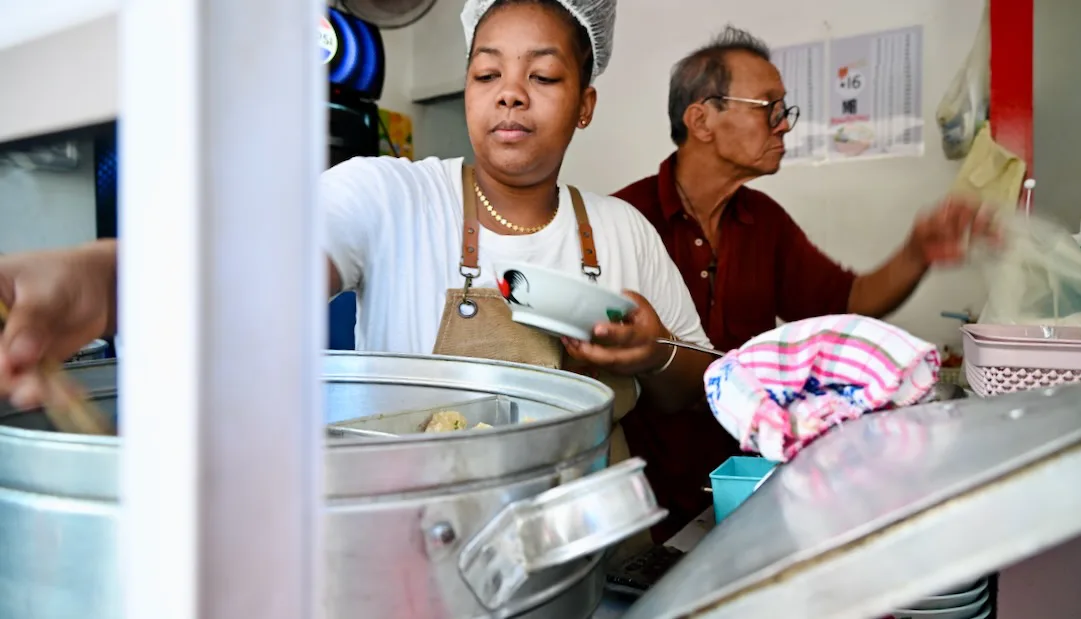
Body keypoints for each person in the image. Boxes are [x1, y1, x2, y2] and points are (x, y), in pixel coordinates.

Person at [0, 0, 714, 471]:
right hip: (416, 545)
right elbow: (255, 268)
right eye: (487, 71)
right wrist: (106, 279)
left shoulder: (626, 231)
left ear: (585, 104)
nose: (509, 93)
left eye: (545, 75)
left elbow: (701, 385)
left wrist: (651, 353)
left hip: (593, 549)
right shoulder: (389, 194)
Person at [611, 26, 998, 540]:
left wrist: (917, 251)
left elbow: (847, 302)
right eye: (768, 107)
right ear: (701, 119)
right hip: (647, 495)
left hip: (751, 482)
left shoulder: (763, 221)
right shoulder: (624, 220)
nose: (784, 126)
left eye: (783, 110)